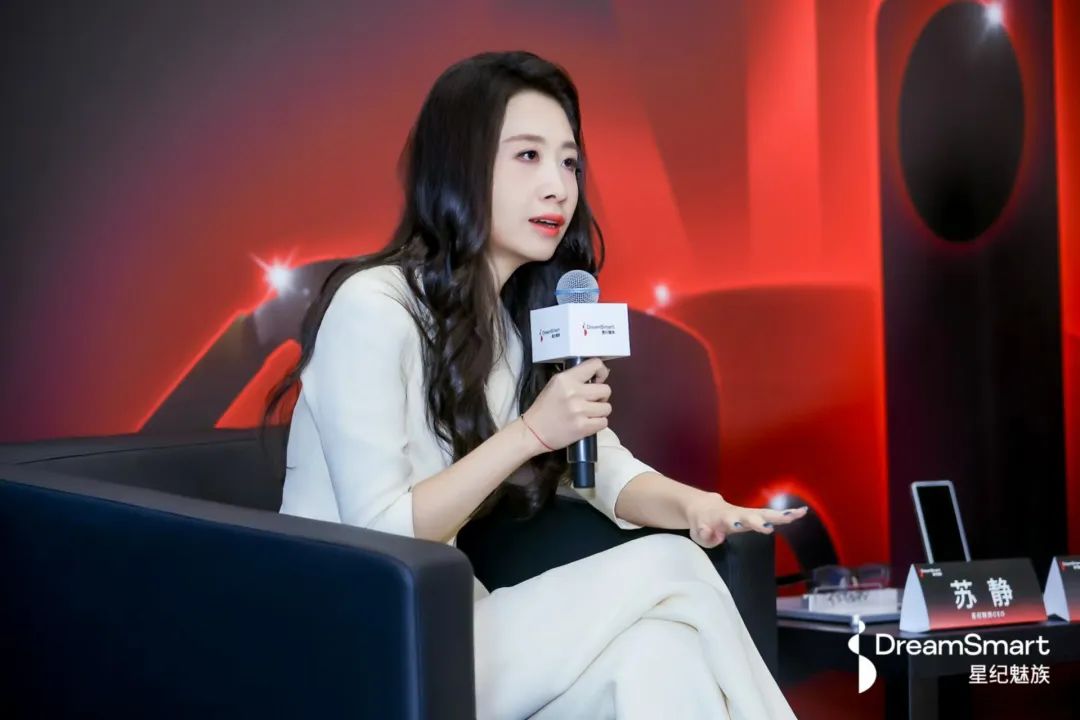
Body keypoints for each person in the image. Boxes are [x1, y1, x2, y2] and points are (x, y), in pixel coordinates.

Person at [264, 50, 806, 720]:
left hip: (463, 623)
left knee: (660, 654)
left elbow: (602, 469)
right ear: (460, 166)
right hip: (361, 642)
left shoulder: (514, 326)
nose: (559, 187)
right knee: (676, 567)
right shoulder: (373, 307)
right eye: (528, 156)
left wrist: (698, 505)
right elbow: (385, 533)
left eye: (569, 162)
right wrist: (529, 434)